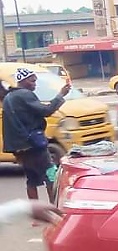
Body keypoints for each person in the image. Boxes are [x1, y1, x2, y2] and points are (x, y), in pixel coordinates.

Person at [1, 68, 71, 202]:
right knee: (51, 175)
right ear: (23, 81)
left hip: (20, 148)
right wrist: (61, 95)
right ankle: (53, 209)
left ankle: (36, 214)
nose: (35, 83)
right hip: (33, 145)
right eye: (32, 80)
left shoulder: (9, 97)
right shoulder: (24, 94)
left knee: (31, 180)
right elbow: (46, 111)